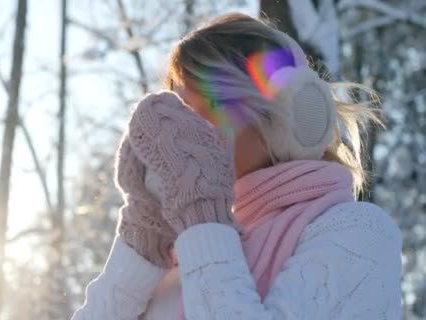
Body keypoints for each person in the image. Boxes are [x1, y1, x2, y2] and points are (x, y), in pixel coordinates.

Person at [72, 13, 402, 320]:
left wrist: (203, 215)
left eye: (214, 105)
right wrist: (144, 238)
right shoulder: (190, 246)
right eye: (181, 113)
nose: (189, 133)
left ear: (287, 115)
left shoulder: (359, 232)